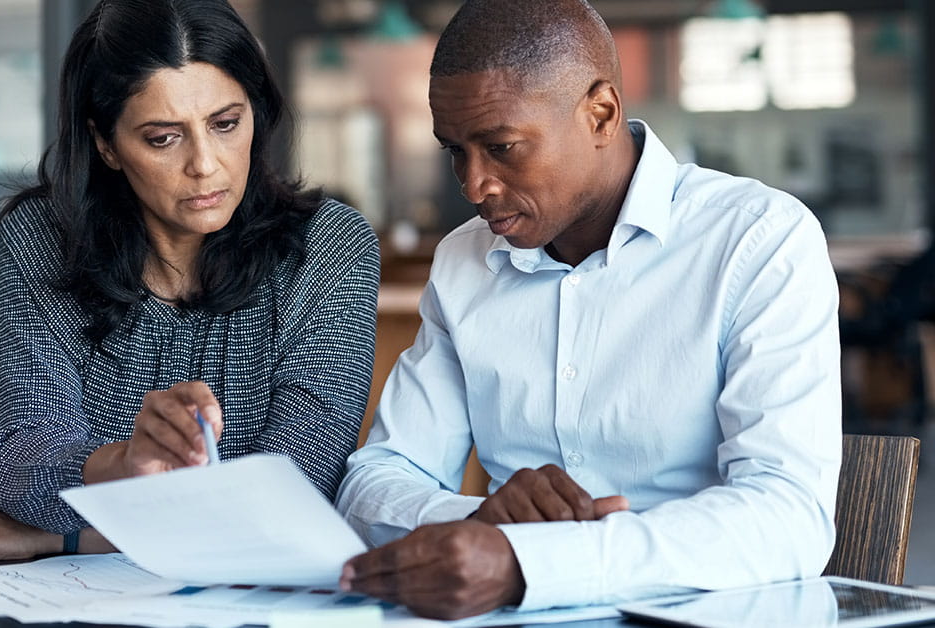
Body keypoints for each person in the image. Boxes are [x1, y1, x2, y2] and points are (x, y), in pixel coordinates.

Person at [335, 0, 841, 620]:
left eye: (501, 147)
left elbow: (787, 518)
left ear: (599, 113)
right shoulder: (465, 261)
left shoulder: (757, 240)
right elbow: (376, 481)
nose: (474, 186)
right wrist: (480, 523)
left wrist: (533, 564)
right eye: (455, 152)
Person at [0, 0, 378, 561]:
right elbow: (18, 473)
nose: (206, 164)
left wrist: (54, 538)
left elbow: (293, 497)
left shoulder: (330, 247)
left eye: (226, 124)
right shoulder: (42, 242)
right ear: (106, 143)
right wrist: (128, 460)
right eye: (163, 138)